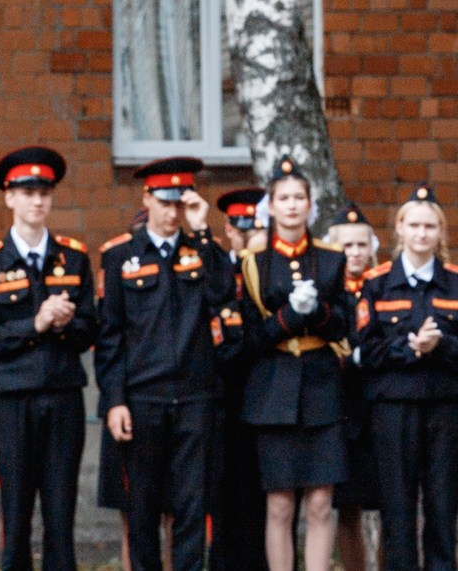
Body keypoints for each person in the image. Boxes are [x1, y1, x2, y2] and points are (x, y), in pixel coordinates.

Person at [96, 158, 236, 571]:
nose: (172, 212)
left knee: (192, 506)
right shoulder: (120, 256)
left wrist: (203, 228)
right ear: (147, 199)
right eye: (165, 202)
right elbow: (110, 336)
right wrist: (115, 400)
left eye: (180, 203)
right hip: (144, 398)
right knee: (142, 508)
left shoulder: (203, 251)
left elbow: (224, 293)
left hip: (195, 397)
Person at [0, 146, 95, 571]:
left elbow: (91, 332)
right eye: (27, 192)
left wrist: (64, 324)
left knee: (61, 513)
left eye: (44, 192)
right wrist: (35, 324)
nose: (37, 201)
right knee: (16, 513)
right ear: (9, 197)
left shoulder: (73, 258)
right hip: (13, 401)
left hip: (62, 398)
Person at [237, 160, 354, 571]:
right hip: (274, 389)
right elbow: (249, 337)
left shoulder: (331, 259)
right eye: (283, 198)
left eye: (299, 197)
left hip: (322, 387)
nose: (291, 205)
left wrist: (318, 312)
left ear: (310, 204)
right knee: (280, 502)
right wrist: (287, 317)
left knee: (320, 501)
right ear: (270, 206)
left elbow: (345, 325)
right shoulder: (253, 263)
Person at [354, 185, 458, 571]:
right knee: (397, 507)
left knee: (443, 505)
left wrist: (439, 346)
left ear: (440, 232)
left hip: (445, 406)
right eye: (414, 225)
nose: (422, 233)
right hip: (393, 407)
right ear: (400, 229)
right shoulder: (376, 283)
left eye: (430, 226)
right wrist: (410, 349)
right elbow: (367, 351)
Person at [322, 207, 381, 571]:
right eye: (347, 246)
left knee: (392, 501)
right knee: (347, 504)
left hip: (381, 405)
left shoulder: (384, 285)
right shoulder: (328, 292)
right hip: (342, 406)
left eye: (362, 245)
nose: (356, 253)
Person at [215, 188, 269, 571]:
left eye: (257, 230)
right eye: (242, 230)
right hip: (224, 393)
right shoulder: (220, 271)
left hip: (267, 390)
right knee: (224, 491)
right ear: (229, 230)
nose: (249, 238)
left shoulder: (273, 271)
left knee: (268, 495)